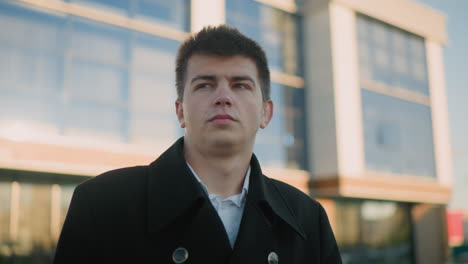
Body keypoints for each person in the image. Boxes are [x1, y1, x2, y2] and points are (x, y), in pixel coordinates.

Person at [54, 25, 342, 264]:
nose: (223, 97)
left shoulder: (308, 219)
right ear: (180, 111)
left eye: (240, 85)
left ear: (265, 112)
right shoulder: (101, 205)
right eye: (205, 84)